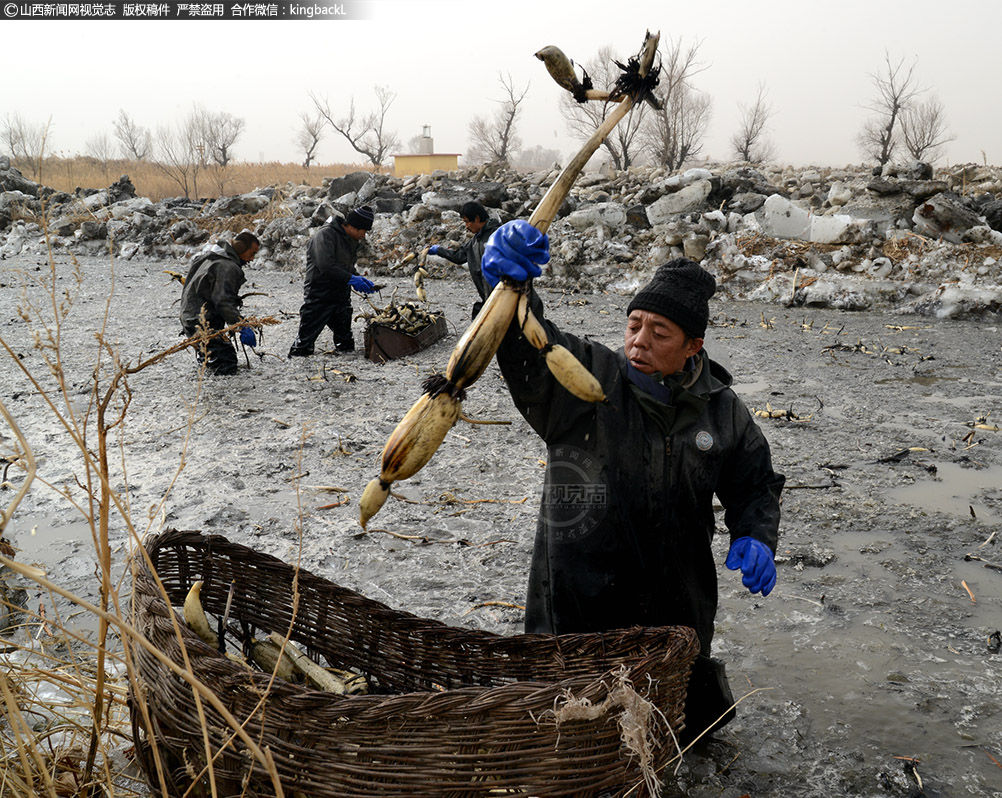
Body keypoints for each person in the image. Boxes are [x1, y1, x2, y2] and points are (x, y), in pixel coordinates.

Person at [480, 220, 785, 746]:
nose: (639, 342)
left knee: (669, 728)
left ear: (694, 345)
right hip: (580, 594)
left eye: (659, 332)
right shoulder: (586, 380)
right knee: (573, 730)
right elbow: (524, 341)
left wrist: (755, 533)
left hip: (676, 597)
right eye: (634, 325)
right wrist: (507, 285)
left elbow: (754, 481)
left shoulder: (723, 411)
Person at [288, 205, 377, 357]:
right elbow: (326, 266)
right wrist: (351, 278)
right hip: (319, 297)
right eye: (364, 231)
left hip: (340, 298)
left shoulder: (350, 240)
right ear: (355, 227)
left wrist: (357, 277)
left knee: (346, 345)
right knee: (303, 346)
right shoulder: (325, 235)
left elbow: (344, 267)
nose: (364, 235)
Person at [179, 231, 261, 376]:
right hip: (201, 321)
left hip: (189, 317)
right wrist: (240, 325)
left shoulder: (207, 257)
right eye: (251, 253)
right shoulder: (227, 267)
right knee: (226, 362)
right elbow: (223, 301)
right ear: (241, 248)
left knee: (209, 360)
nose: (252, 258)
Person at [428, 201, 500, 315]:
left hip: (503, 296)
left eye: (467, 222)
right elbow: (459, 256)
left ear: (476, 219)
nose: (466, 227)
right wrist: (439, 250)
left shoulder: (498, 235)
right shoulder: (475, 241)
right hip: (489, 298)